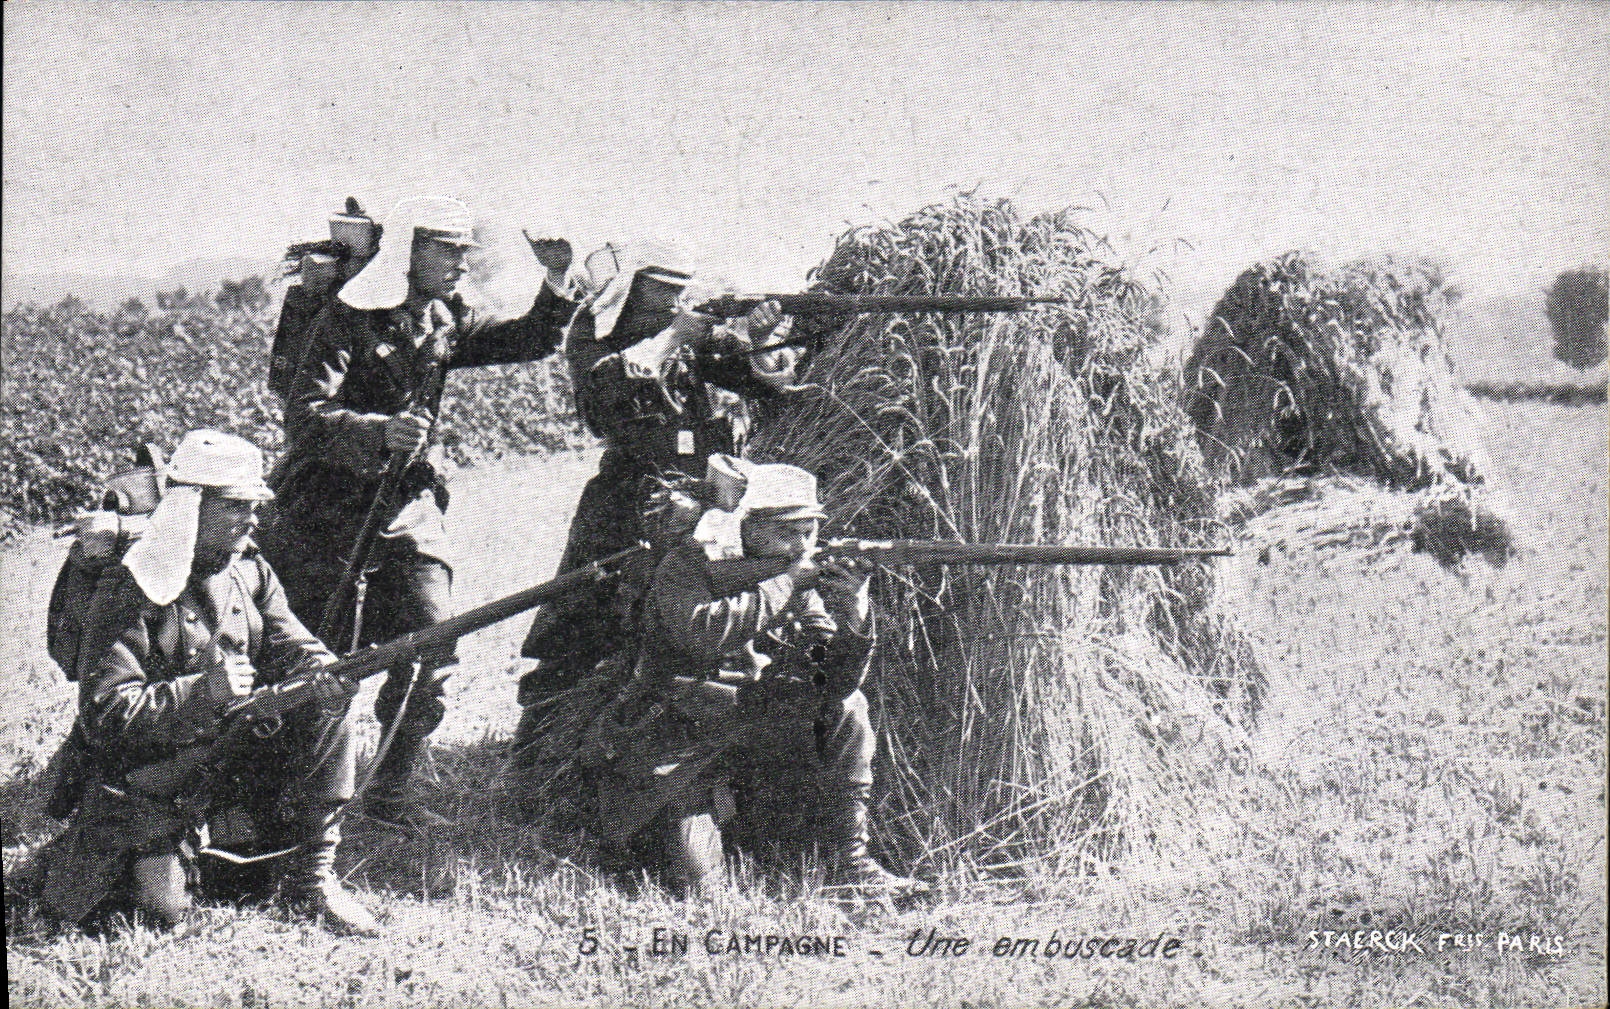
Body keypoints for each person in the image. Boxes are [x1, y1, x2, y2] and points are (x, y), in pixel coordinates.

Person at [257, 196, 578, 830]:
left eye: (465, 251)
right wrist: (377, 432)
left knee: (432, 647)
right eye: (447, 250)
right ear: (408, 254)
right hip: (327, 504)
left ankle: (391, 793)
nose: (462, 262)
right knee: (313, 652)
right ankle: (290, 787)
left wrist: (556, 282)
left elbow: (527, 339)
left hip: (407, 507)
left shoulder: (444, 316)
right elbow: (303, 416)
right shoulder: (345, 318)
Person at [29, 430, 376, 935]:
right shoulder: (131, 586)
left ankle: (311, 880)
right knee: (158, 913)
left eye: (254, 505)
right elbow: (104, 714)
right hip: (151, 771)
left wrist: (323, 673)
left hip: (229, 754)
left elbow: (290, 641)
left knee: (330, 710)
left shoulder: (250, 570)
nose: (253, 519)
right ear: (192, 508)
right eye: (237, 506)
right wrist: (202, 693)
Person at [507, 243, 803, 768]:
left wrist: (756, 342)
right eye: (657, 294)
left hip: (700, 503)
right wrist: (673, 336)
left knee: (689, 632)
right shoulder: (595, 334)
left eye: (677, 295)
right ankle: (531, 762)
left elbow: (770, 390)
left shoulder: (684, 341)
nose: (670, 306)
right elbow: (605, 400)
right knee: (577, 628)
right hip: (627, 499)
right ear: (628, 293)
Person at [625, 460, 923, 895]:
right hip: (682, 741)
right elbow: (702, 632)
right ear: (744, 528)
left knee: (846, 706)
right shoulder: (686, 566)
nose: (800, 546)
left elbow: (833, 680)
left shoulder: (795, 581)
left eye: (809, 532)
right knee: (699, 891)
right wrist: (784, 585)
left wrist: (855, 612)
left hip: (758, 735)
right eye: (786, 533)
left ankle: (851, 861)